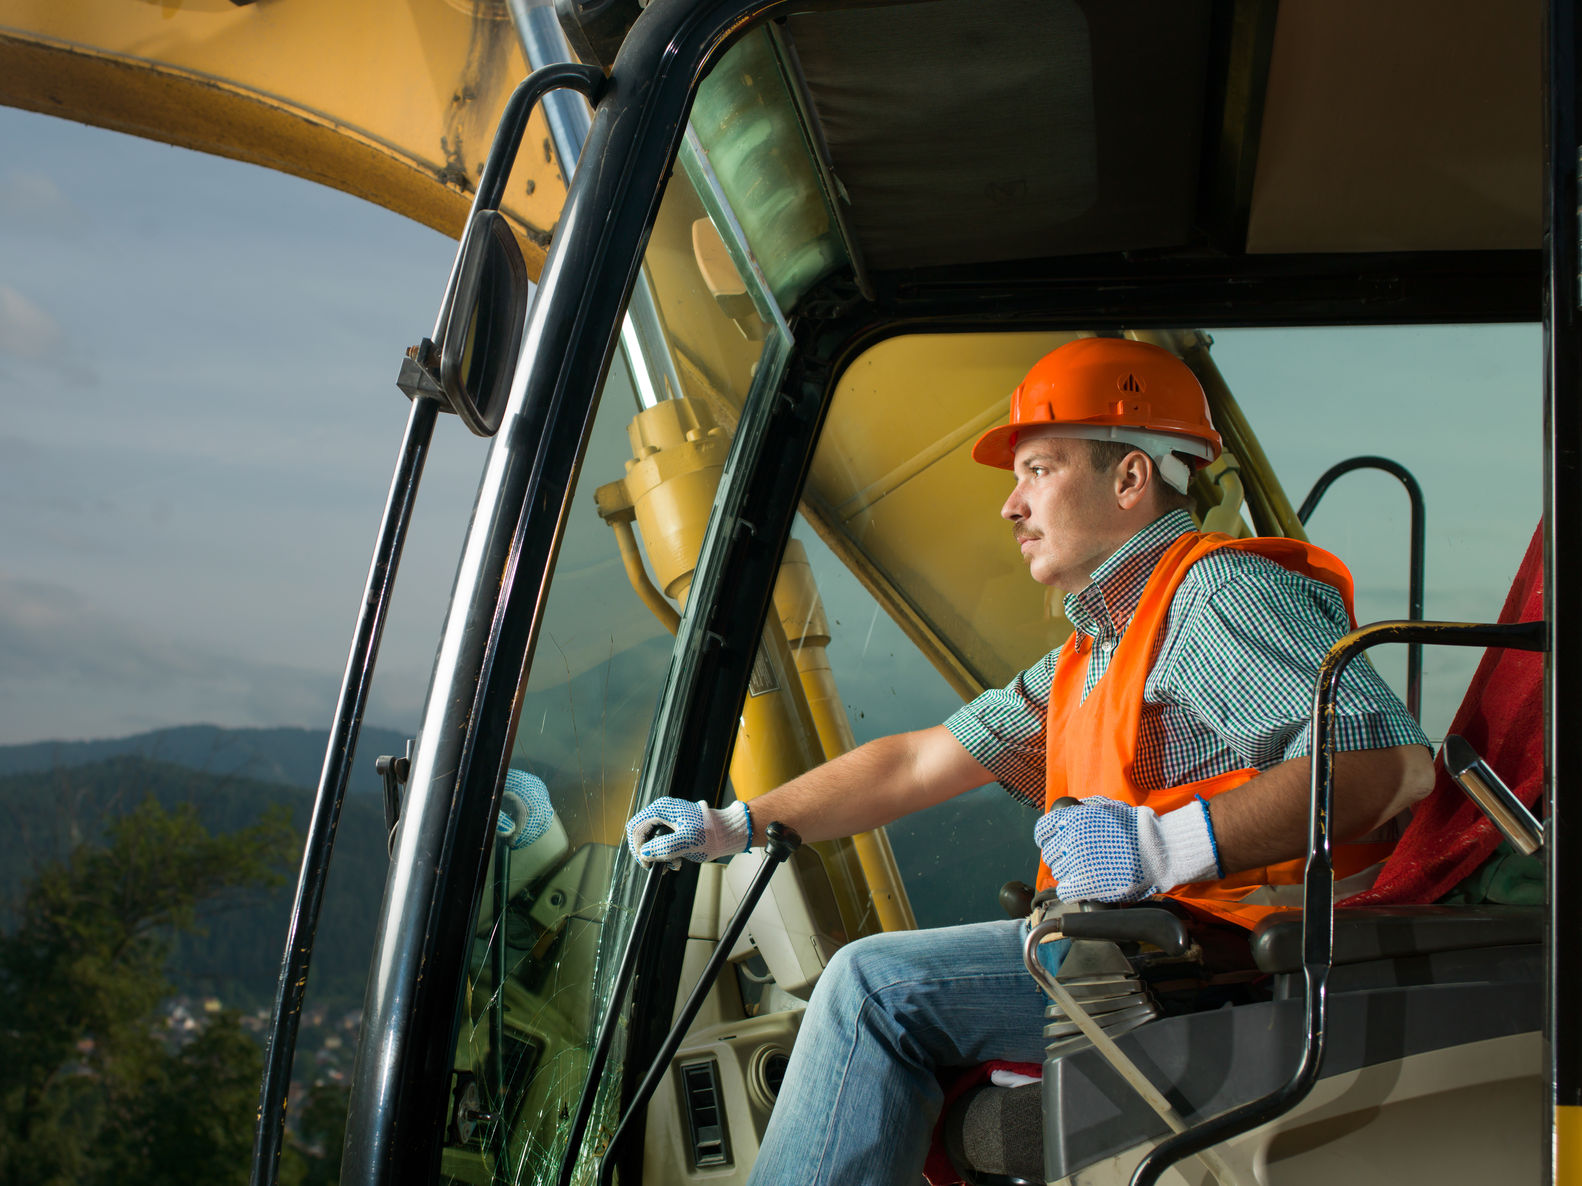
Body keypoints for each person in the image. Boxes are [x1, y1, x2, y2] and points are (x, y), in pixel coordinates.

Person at [623, 337, 1434, 1185]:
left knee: (872, 988)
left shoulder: (1215, 599)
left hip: (1230, 968)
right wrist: (735, 823)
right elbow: (916, 762)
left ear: (1131, 479)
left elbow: (1385, 764)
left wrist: (1162, 848)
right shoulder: (1100, 643)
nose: (1011, 506)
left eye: (1039, 469)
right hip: (1142, 956)